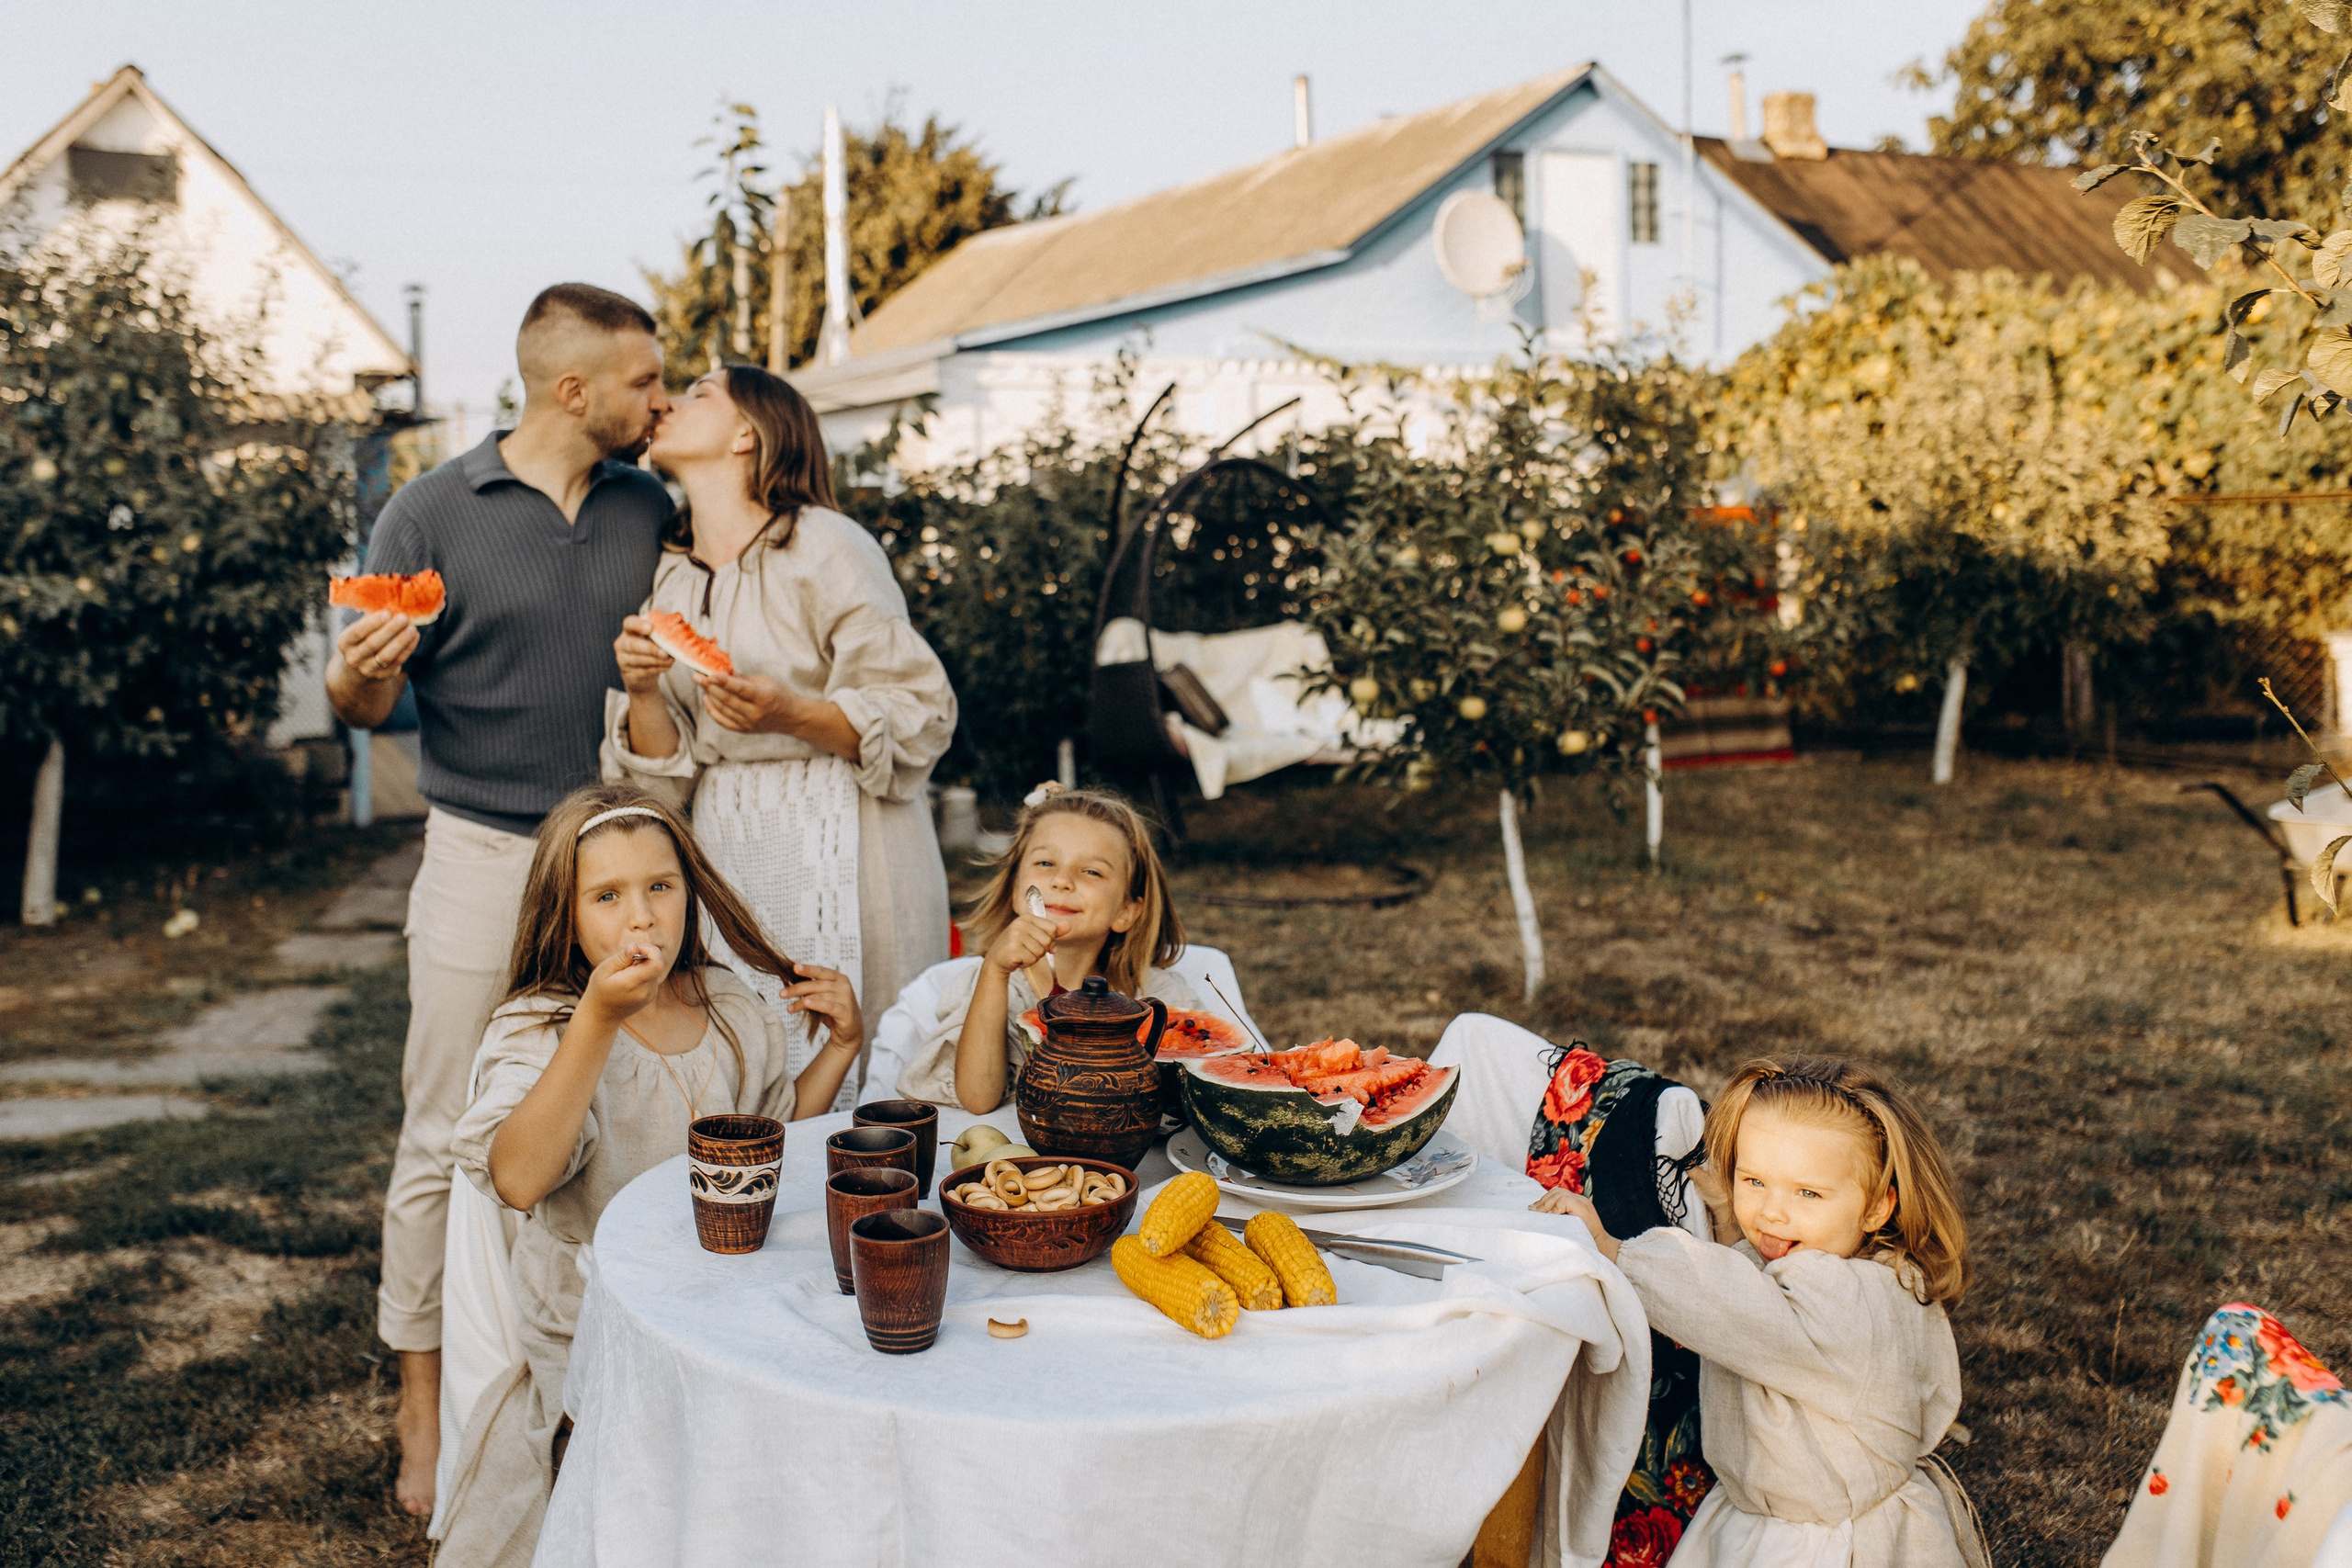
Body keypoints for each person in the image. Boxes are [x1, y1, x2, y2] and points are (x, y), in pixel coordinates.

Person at [324, 282, 673, 1515]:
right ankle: (424, 1403)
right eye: (643, 380)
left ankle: (602, 1374)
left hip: (621, 853)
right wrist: (358, 675)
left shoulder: (653, 506)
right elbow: (364, 708)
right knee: (440, 1131)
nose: (662, 398)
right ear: (571, 389)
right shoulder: (429, 509)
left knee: (622, 1115)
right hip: (480, 850)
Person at [435, 784, 863, 1567]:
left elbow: (773, 1143)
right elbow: (518, 1178)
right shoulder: (543, 1024)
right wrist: (595, 1021)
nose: (641, 916)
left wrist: (840, 1045)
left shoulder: (730, 1005)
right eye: (607, 896)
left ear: (689, 895)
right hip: (594, 1324)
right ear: (565, 915)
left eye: (660, 887)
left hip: (724, 1299)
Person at [605, 364, 955, 1109]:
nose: (670, 402)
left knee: (879, 1085)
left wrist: (789, 714)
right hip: (728, 844)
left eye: (700, 392)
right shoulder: (670, 574)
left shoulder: (828, 545)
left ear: (746, 435)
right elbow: (663, 784)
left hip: (851, 831)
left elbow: (920, 708)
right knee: (755, 1067)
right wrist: (641, 689)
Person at [1536, 1056, 1988, 1567]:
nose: (1772, 1211)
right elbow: (1762, 1298)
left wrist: (1616, 1250)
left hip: (1822, 1546)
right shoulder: (1882, 1272)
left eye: (1807, 1192)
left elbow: (1736, 1306)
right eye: (1754, 1181)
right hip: (1788, 1518)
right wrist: (1732, 1219)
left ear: (1877, 1207)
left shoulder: (1845, 1302)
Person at [894, 784, 1199, 1112]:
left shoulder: (1157, 996)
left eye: (1092, 871)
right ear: (1015, 887)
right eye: (1045, 863)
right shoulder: (995, 988)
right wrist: (994, 972)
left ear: (1125, 911)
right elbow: (978, 1098)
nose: (1062, 880)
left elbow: (1194, 1090)